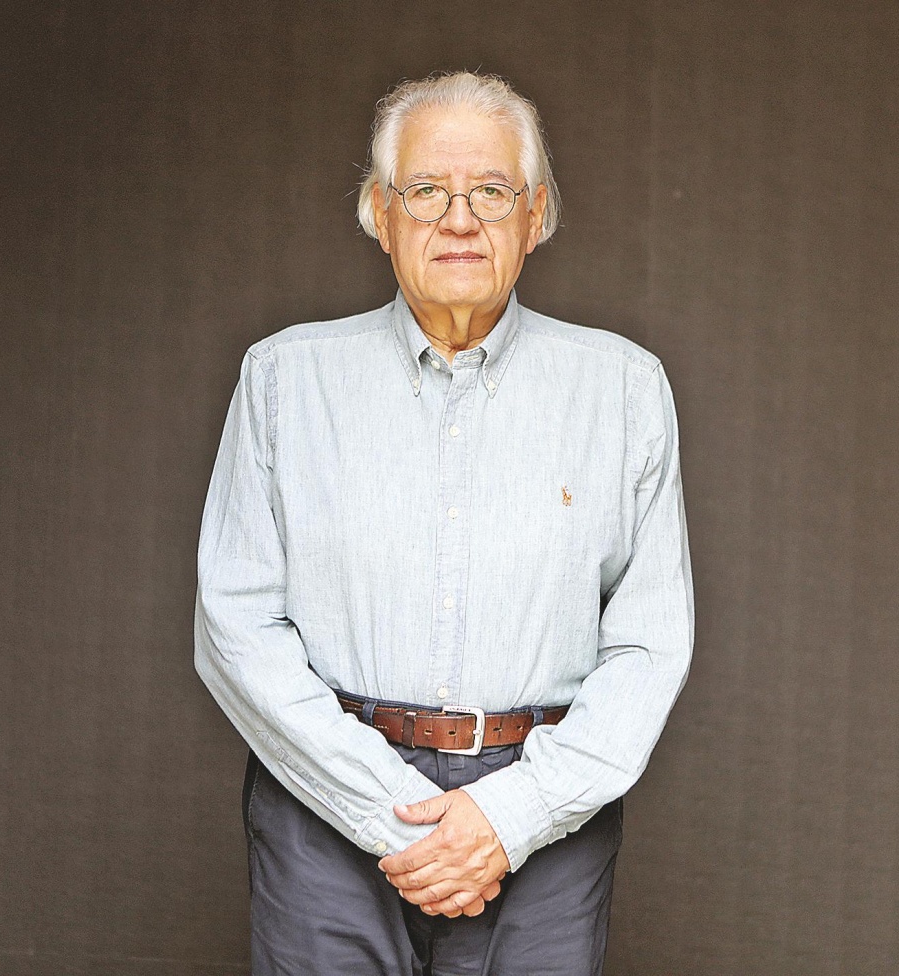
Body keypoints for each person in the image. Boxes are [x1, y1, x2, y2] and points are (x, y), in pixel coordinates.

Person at [195, 70, 693, 976]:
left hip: (547, 820)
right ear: (380, 215)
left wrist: (512, 817)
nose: (459, 220)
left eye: (491, 192)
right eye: (425, 190)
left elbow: (650, 646)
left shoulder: (625, 390)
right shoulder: (283, 380)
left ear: (535, 216)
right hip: (324, 810)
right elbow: (234, 628)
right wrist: (397, 816)